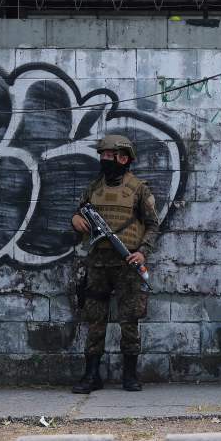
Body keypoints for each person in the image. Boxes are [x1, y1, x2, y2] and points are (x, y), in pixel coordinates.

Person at [71, 134, 159, 394]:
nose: (106, 160)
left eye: (110, 156)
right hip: (97, 263)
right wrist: (75, 219)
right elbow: (79, 212)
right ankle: (92, 375)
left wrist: (143, 252)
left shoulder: (139, 189)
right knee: (95, 319)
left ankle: (130, 375)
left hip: (127, 263)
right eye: (103, 156)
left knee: (129, 320)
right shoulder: (94, 188)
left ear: (124, 158)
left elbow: (153, 225)